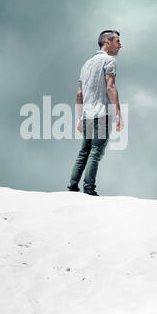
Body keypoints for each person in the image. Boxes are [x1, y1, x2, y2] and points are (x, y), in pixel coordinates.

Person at [67, 30, 124, 196]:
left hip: (87, 115)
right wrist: (119, 114)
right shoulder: (109, 61)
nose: (120, 45)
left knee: (83, 152)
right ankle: (89, 188)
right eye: (117, 42)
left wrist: (79, 118)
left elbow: (79, 93)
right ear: (107, 42)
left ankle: (72, 186)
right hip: (102, 113)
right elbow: (110, 87)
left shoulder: (86, 64)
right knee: (95, 152)